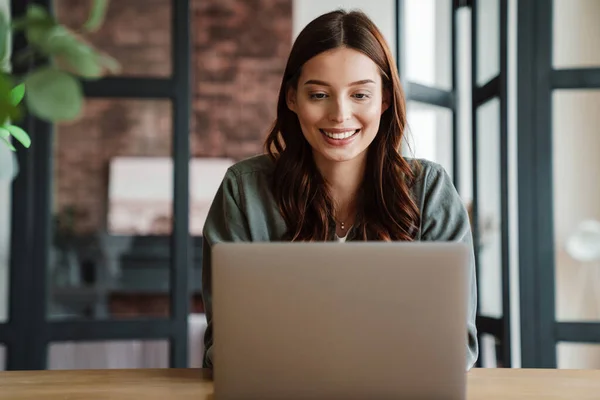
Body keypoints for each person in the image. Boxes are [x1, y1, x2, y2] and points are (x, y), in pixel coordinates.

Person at [200, 9, 478, 371]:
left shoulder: (429, 190)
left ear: (385, 100)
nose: (340, 115)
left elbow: (456, 347)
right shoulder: (243, 190)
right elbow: (225, 349)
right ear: (291, 98)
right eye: (319, 95)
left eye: (360, 95)